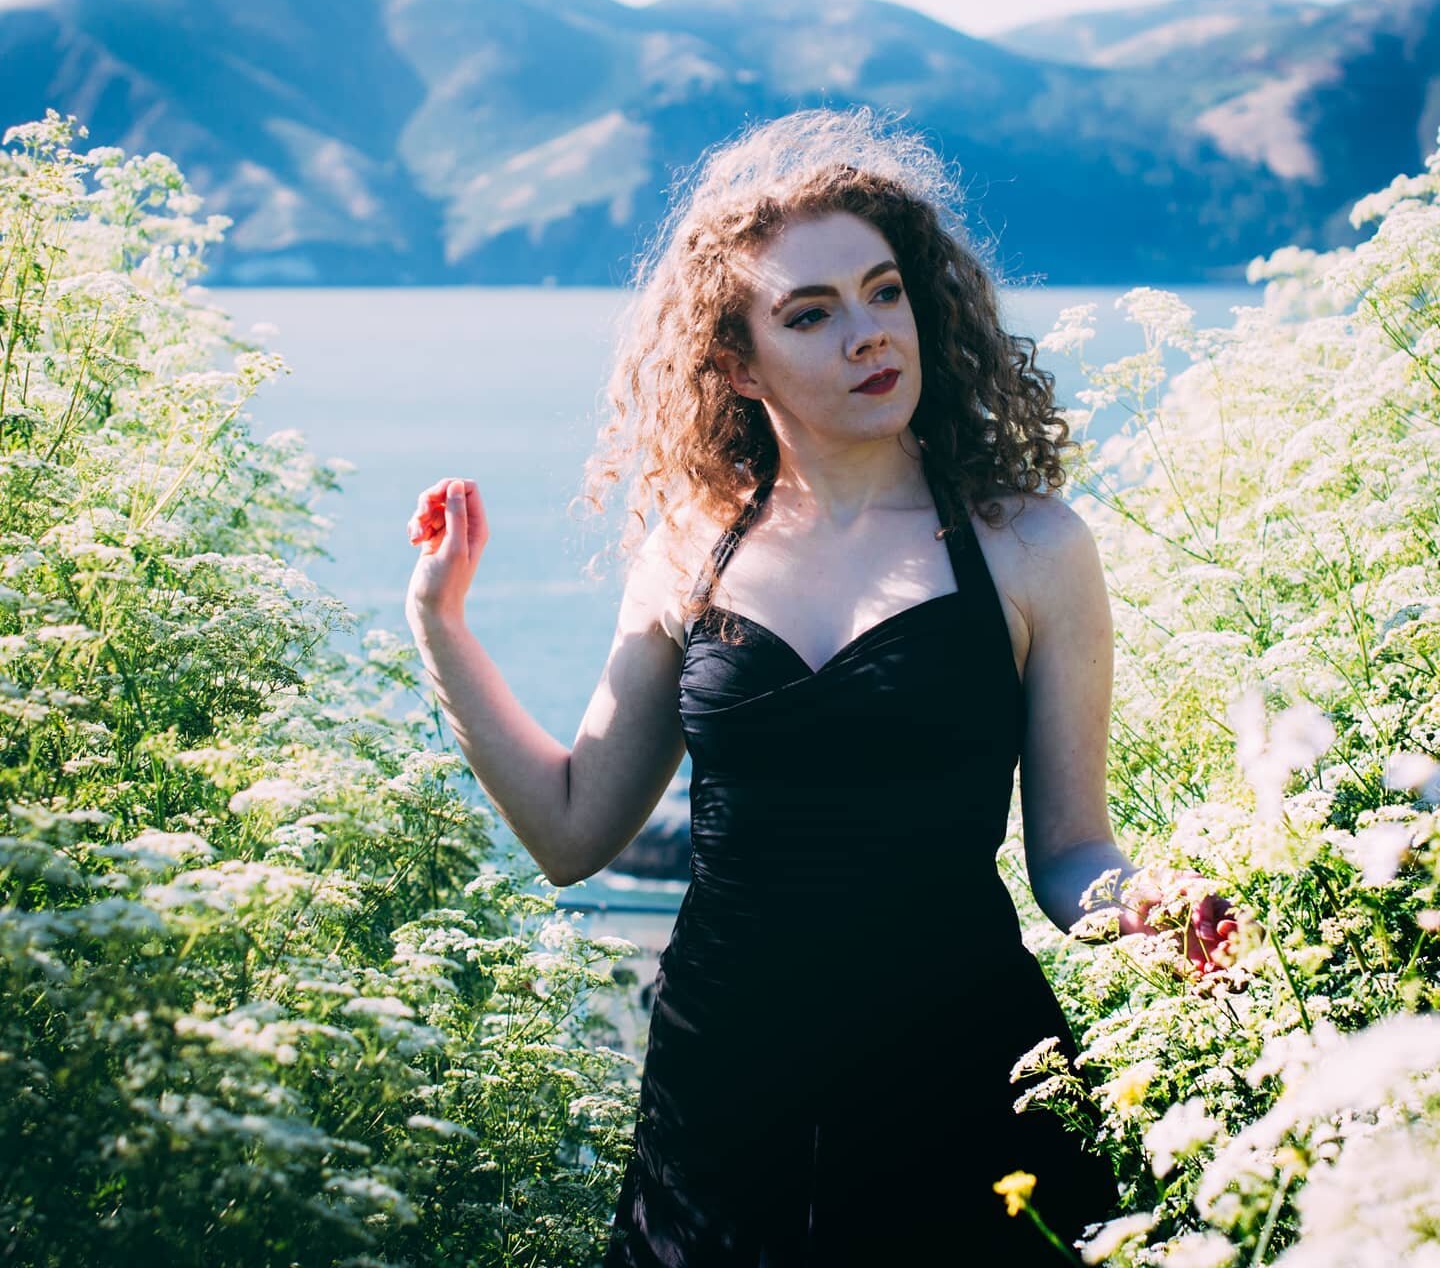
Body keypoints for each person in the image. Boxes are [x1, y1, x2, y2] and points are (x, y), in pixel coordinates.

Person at [403, 106, 1238, 1266]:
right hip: (722, 1092)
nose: (868, 334)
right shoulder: (691, 548)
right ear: (736, 364)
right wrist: (439, 621)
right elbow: (572, 827)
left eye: (884, 291)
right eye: (812, 312)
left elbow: (1068, 854)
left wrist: (1152, 913)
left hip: (960, 1076)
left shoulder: (1032, 547)